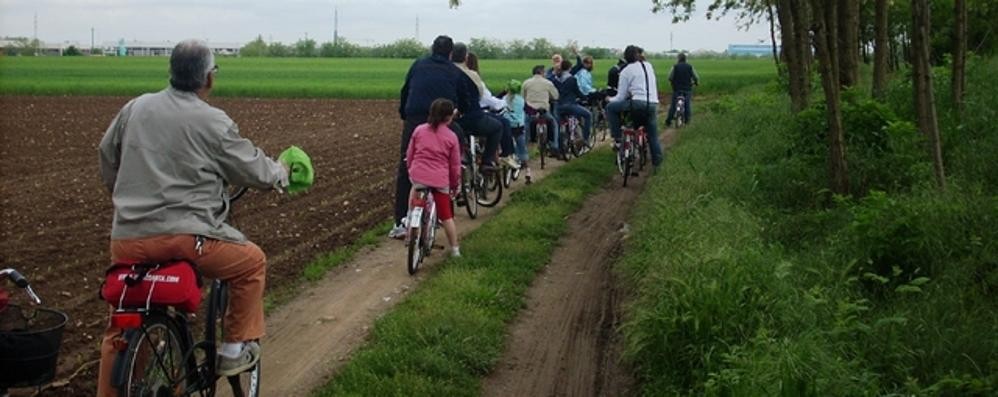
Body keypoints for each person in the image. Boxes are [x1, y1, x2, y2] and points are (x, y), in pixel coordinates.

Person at [96, 39, 288, 396]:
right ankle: (233, 350)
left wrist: (123, 196)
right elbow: (255, 170)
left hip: (127, 239)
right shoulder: (212, 120)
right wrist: (281, 173)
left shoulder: (134, 108)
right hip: (188, 238)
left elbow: (107, 156)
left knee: (119, 329)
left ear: (170, 71)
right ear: (208, 79)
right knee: (251, 263)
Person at [391, 35, 473, 239]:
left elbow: (405, 90)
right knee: (452, 155)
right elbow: (465, 100)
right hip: (443, 120)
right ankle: (449, 204)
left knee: (406, 167)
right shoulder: (455, 71)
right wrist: (460, 112)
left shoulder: (418, 65)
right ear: (451, 53)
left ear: (431, 48)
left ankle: (401, 220)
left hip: (415, 119)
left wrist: (405, 114)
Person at [406, 98, 463, 257]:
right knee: (446, 216)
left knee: (415, 192)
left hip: (419, 175)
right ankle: (455, 249)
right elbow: (454, 165)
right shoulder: (451, 137)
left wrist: (411, 170)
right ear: (449, 117)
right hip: (440, 180)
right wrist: (454, 185)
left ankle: (410, 222)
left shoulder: (419, 130)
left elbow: (410, 154)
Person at [606, 45, 664, 168]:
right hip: (653, 103)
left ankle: (617, 139)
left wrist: (609, 100)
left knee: (611, 108)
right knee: (653, 136)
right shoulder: (649, 66)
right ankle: (658, 166)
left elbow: (621, 96)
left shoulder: (626, 71)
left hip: (637, 103)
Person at [449, 43, 502, 168]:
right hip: (473, 118)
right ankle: (487, 161)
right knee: (497, 127)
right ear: (465, 57)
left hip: (453, 119)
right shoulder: (472, 74)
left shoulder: (445, 72)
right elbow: (480, 94)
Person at [464, 51, 519, 170]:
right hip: (477, 114)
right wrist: (504, 103)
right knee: (502, 124)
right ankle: (501, 156)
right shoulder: (476, 80)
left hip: (458, 116)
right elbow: (489, 100)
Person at [522, 64, 562, 156]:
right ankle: (554, 146)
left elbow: (523, 96)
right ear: (541, 72)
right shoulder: (547, 83)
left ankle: (525, 147)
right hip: (543, 110)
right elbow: (556, 96)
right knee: (554, 123)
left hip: (530, 111)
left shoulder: (526, 83)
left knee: (526, 125)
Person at [552, 60, 593, 147]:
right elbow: (577, 92)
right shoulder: (572, 79)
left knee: (558, 126)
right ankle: (585, 139)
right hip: (570, 105)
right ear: (570, 68)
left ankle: (558, 147)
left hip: (558, 106)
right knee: (588, 115)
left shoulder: (555, 79)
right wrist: (585, 98)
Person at [502, 79, 533, 183]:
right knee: (522, 148)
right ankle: (528, 171)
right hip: (519, 127)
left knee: (504, 145)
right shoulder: (521, 100)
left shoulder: (503, 99)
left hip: (506, 127)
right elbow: (529, 110)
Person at [665, 52, 700, 126]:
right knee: (687, 105)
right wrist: (696, 83)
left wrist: (672, 83)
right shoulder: (690, 67)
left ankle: (668, 121)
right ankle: (687, 121)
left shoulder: (675, 66)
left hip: (677, 89)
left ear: (678, 59)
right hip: (687, 89)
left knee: (673, 105)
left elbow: (670, 77)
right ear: (685, 59)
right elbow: (696, 77)